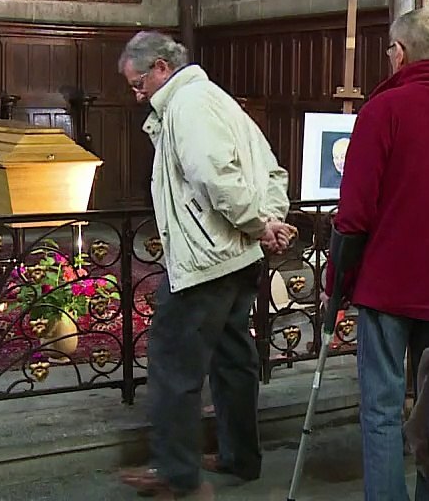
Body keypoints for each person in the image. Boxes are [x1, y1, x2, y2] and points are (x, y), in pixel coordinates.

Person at [116, 31, 295, 500]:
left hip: (205, 260)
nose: (137, 96)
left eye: (138, 85)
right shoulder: (216, 97)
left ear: (160, 67)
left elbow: (214, 176)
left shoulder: (189, 105)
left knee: (173, 364)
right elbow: (270, 168)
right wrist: (270, 221)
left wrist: (260, 224)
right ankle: (240, 457)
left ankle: (179, 477)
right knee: (233, 357)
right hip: (237, 257)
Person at [328, 8, 429, 501]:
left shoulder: (383, 110)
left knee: (380, 408)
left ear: (398, 53)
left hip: (386, 287)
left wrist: (337, 281)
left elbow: (354, 212)